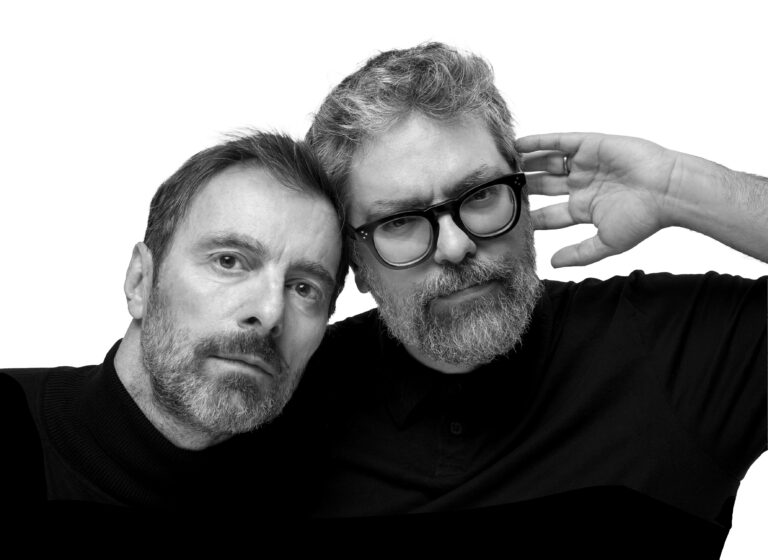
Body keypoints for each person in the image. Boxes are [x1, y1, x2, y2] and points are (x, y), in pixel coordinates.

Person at [296, 42, 767, 556]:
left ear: (521, 195)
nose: (455, 246)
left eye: (480, 195)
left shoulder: (663, 349)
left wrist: (679, 187)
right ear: (355, 262)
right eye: (400, 222)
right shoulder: (291, 395)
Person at [0, 132, 347, 518]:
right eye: (229, 261)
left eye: (304, 289)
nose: (269, 313)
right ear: (140, 281)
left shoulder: (321, 486)